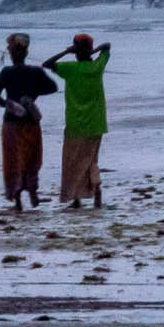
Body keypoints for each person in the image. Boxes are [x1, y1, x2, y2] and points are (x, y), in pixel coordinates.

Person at [0, 33, 59, 211]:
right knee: (31, 159)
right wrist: (32, 96)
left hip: (12, 124)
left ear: (11, 53)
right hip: (31, 121)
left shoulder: (7, 72)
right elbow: (53, 87)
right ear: (26, 52)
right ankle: (33, 193)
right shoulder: (35, 72)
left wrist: (9, 104)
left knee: (14, 160)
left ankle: (18, 199)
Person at [43, 33, 110, 209]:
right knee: (91, 160)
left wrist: (67, 52)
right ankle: (96, 189)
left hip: (75, 124)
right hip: (96, 122)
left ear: (75, 50)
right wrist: (91, 51)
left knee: (72, 162)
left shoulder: (70, 68)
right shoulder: (97, 66)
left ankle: (76, 199)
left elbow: (46, 64)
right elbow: (107, 47)